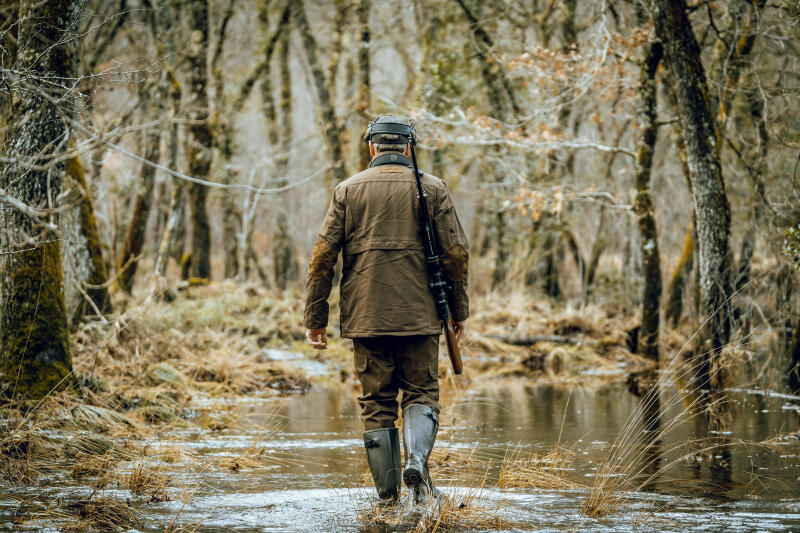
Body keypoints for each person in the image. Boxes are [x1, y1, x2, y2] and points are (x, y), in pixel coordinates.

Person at [303, 115, 470, 503]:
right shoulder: (433, 188)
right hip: (421, 315)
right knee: (421, 394)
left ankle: (387, 496)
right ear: (409, 148)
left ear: (372, 148)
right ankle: (416, 464)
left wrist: (315, 319)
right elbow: (456, 255)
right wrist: (458, 311)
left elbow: (322, 258)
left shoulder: (347, 190)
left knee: (376, 402)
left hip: (366, 318)